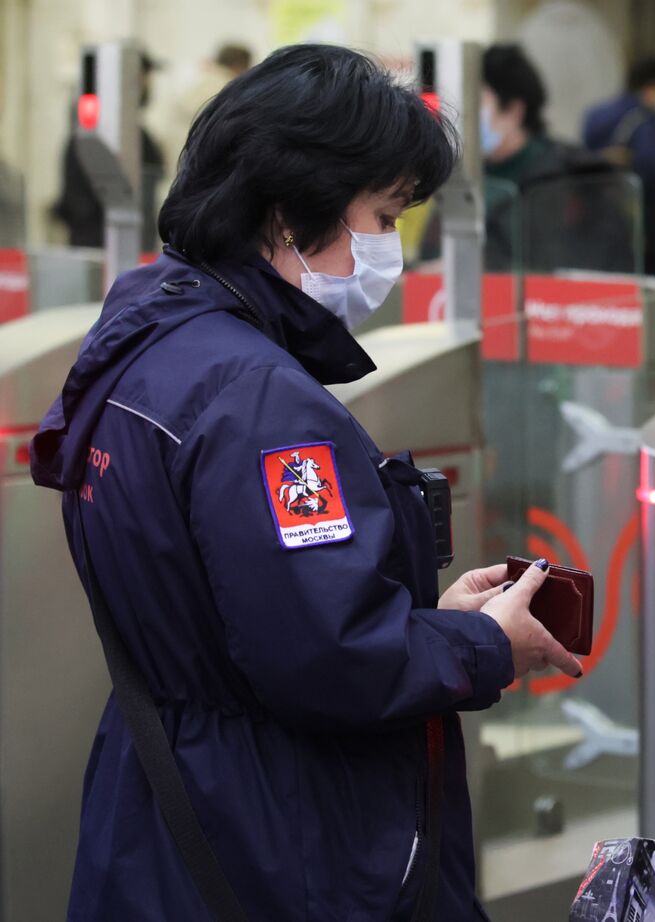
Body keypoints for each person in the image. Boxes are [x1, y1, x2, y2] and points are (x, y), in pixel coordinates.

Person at [31, 45, 581, 921]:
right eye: (383, 213)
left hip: (162, 804)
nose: (388, 247)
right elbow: (330, 662)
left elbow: (254, 609)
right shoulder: (259, 403)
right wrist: (485, 648)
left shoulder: (147, 341)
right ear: (290, 216)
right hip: (276, 838)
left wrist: (431, 620)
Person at [417, 43, 624, 272]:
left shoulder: (567, 181)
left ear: (513, 111)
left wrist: (483, 268)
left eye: (475, 103)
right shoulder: (459, 175)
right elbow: (430, 252)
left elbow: (558, 271)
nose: (460, 116)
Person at [582, 56, 655, 279]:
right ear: (654, 87)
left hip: (597, 233)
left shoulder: (595, 116)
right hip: (644, 239)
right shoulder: (644, 120)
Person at [54, 51, 165, 251]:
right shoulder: (101, 134)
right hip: (103, 250)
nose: (148, 85)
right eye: (143, 78)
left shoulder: (132, 133)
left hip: (125, 250)